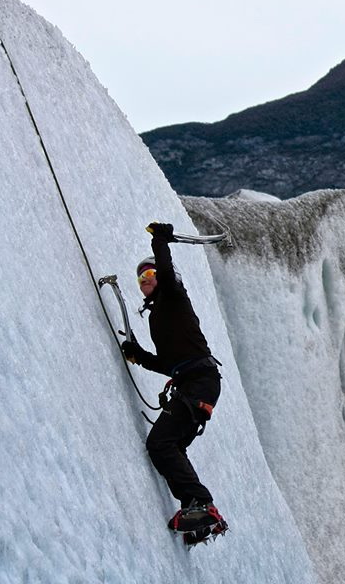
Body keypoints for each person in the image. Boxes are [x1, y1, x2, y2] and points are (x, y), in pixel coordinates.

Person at [121, 222, 227, 536]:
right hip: (195, 382)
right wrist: (138, 354)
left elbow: (167, 274)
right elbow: (169, 364)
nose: (145, 282)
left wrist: (160, 243)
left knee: (161, 443)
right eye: (141, 279)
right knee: (172, 447)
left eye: (149, 275)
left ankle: (200, 504)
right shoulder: (160, 317)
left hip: (198, 384)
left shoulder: (175, 298)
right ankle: (199, 519)